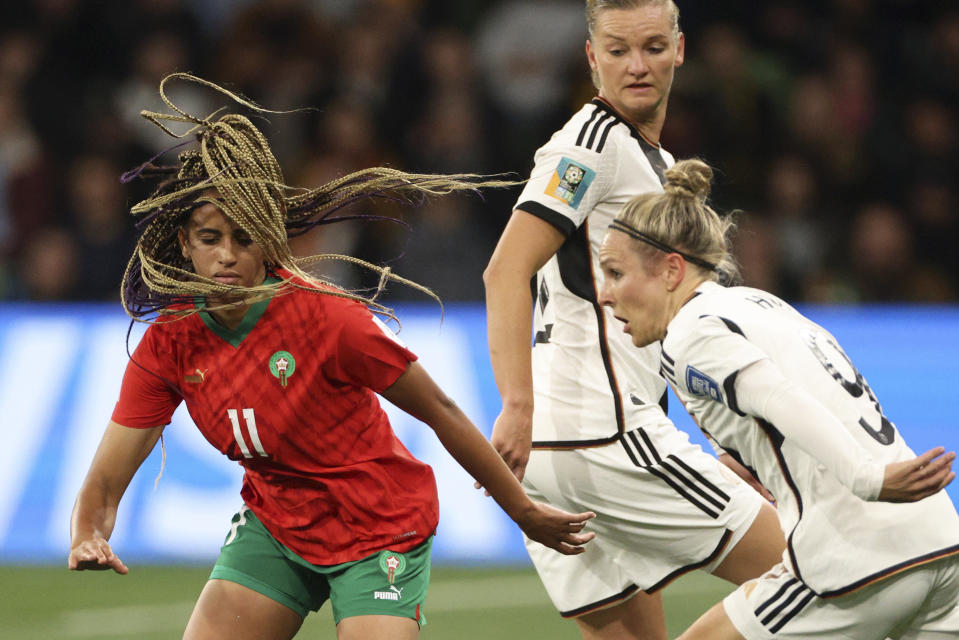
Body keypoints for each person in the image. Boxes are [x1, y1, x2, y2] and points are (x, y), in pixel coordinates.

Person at [67, 73, 596, 640]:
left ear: (270, 240)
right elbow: (105, 479)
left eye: (244, 239)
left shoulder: (326, 319)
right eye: (209, 238)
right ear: (184, 244)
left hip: (379, 526)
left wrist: (522, 511)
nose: (226, 256)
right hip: (276, 526)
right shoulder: (170, 341)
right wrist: (87, 532)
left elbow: (439, 408)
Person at [482, 2, 786, 638]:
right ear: (592, 59)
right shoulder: (589, 148)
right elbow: (504, 271)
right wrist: (515, 403)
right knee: (811, 569)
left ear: (679, 49)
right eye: (618, 50)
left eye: (651, 47)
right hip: (606, 434)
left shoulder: (651, 161)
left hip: (559, 452)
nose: (637, 65)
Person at [598, 157, 959, 640]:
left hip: (859, 555)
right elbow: (763, 448)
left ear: (670, 270)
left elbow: (778, 396)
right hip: (938, 540)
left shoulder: (692, 335)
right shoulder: (759, 305)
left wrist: (867, 478)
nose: (605, 294)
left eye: (615, 273)